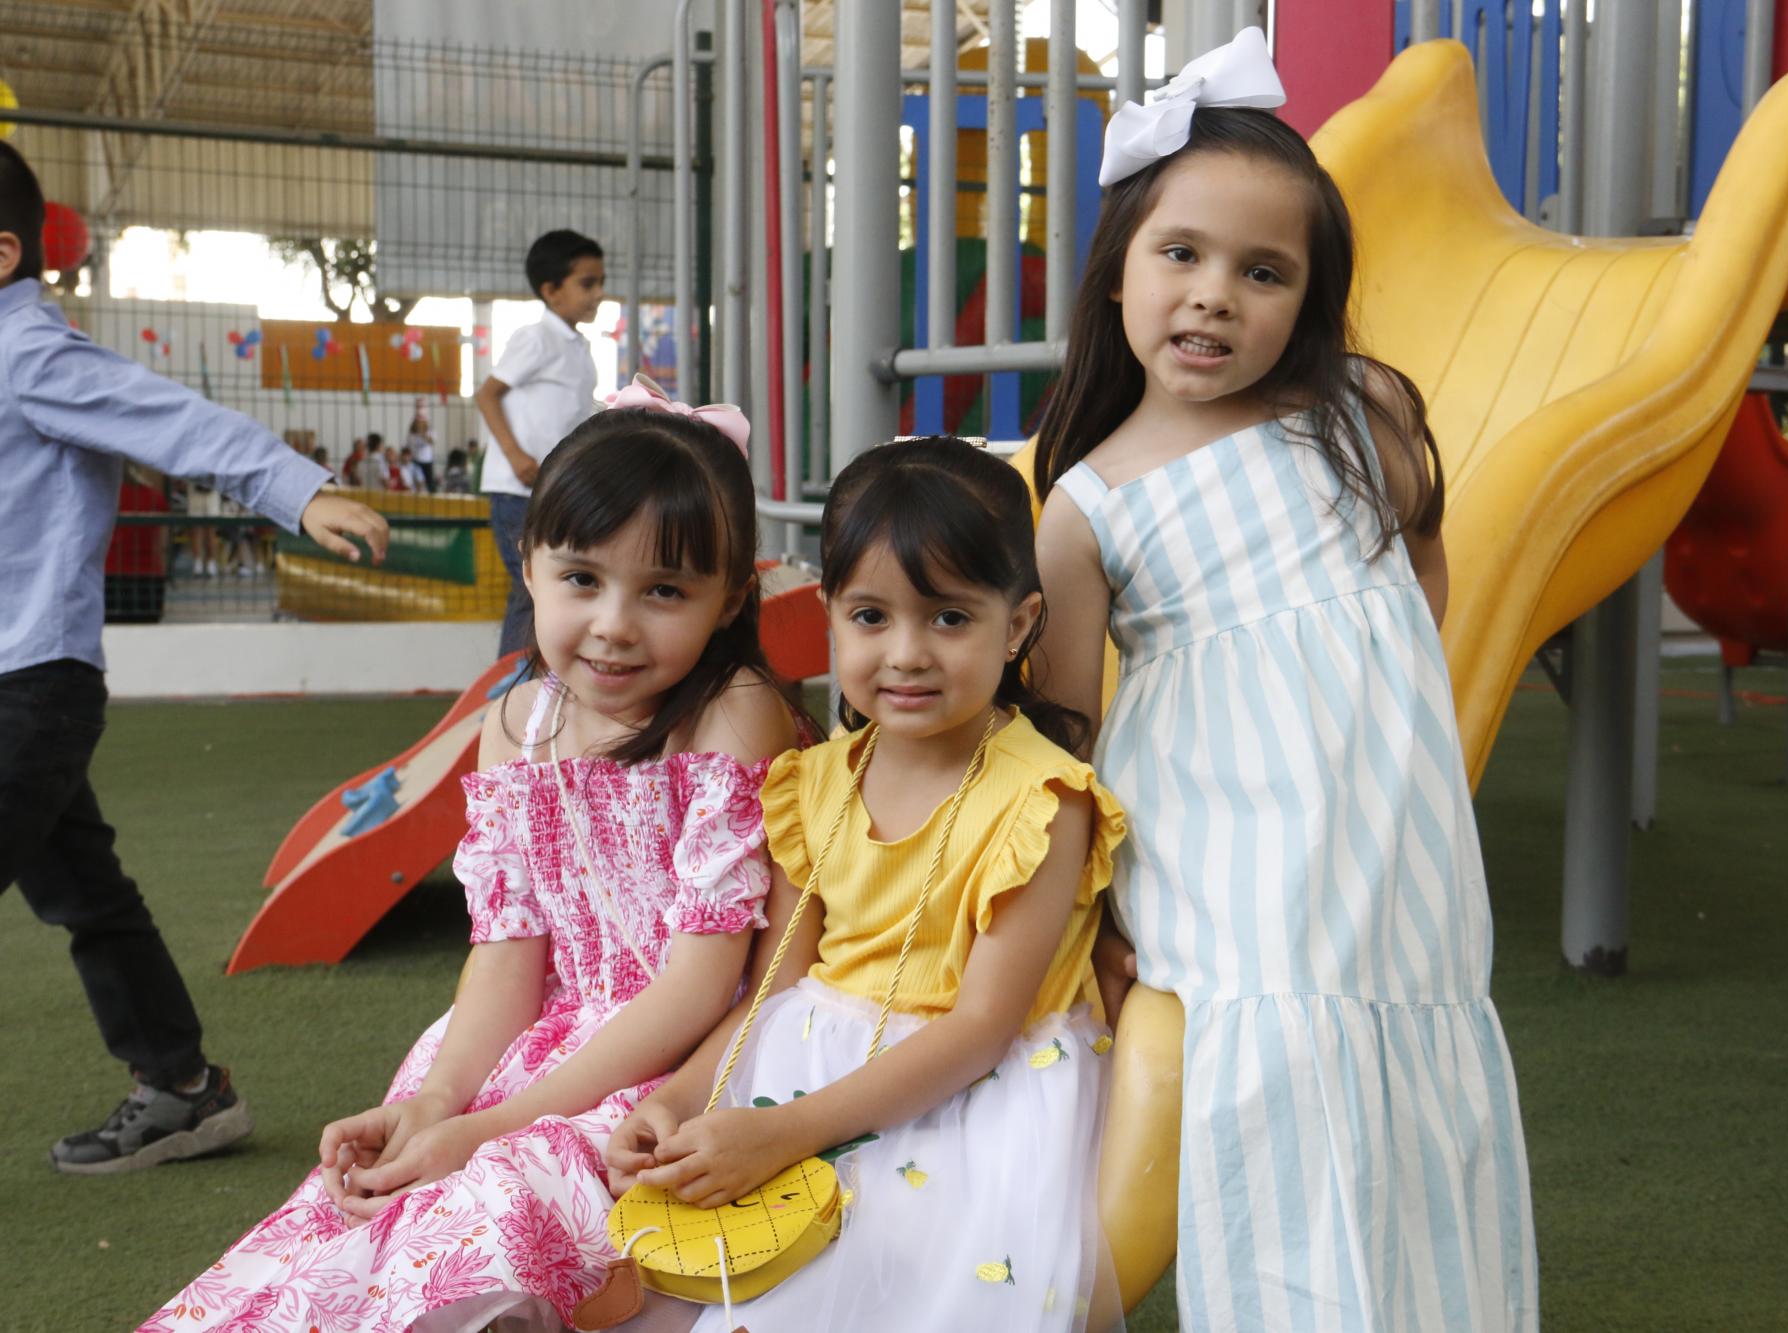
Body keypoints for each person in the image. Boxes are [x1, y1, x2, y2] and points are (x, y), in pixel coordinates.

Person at [1029, 31, 1537, 1333]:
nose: (1214, 296)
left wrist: (1380, 726)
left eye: (1264, 272)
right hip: (1223, 848)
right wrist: (1089, 923)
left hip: (1390, 850)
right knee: (1271, 1092)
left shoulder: (1357, 414)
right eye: (1181, 256)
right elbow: (1063, 736)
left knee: (1404, 1078)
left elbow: (1418, 588)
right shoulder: (1084, 507)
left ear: (1309, 298)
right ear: (1118, 272)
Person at [143, 382, 806, 1331]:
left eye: (664, 590)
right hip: (537, 1045)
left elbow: (701, 985)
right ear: (527, 566)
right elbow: (505, 955)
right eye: (582, 578)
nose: (615, 622)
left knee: (489, 1203)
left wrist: (492, 1123)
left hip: (679, 1063)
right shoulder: (517, 727)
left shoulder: (728, 713)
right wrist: (442, 1097)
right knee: (357, 1226)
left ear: (730, 596)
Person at [607, 437, 1127, 1333]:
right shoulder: (818, 782)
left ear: (1020, 623)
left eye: (950, 618)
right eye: (872, 616)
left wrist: (783, 1132)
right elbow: (774, 986)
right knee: (661, 1285)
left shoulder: (1041, 798)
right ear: (831, 617)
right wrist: (680, 1095)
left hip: (971, 1095)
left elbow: (979, 1029)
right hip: (806, 1060)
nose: (908, 653)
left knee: (851, 1287)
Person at [0, 140, 390, 1174]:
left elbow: (170, 419)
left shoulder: (30, 353)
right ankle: (184, 1089)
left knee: (85, 890)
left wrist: (294, 487)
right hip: (16, 682)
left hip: (27, 687)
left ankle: (181, 1088)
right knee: (86, 891)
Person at [476, 228, 606, 658]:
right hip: (518, 490)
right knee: (535, 589)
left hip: (549, 490)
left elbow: (577, 413)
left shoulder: (578, 348)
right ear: (551, 291)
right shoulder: (536, 338)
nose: (598, 294)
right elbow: (487, 393)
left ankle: (517, 681)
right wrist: (515, 456)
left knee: (535, 589)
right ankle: (515, 683)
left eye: (600, 283)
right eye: (587, 284)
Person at [406, 411, 437, 492]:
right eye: (417, 422)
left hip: (427, 461)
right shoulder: (411, 434)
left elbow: (432, 441)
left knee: (429, 481)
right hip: (415, 460)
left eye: (421, 422)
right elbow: (408, 446)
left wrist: (424, 434)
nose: (419, 424)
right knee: (416, 480)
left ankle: (432, 495)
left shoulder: (430, 432)